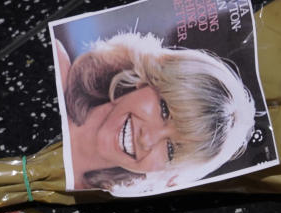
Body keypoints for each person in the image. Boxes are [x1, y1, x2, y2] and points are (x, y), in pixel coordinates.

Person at [54, 32, 256, 194]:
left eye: (170, 150)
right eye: (165, 110)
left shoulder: (88, 208)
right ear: (145, 79)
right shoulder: (55, 63)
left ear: (165, 171)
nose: (147, 139)